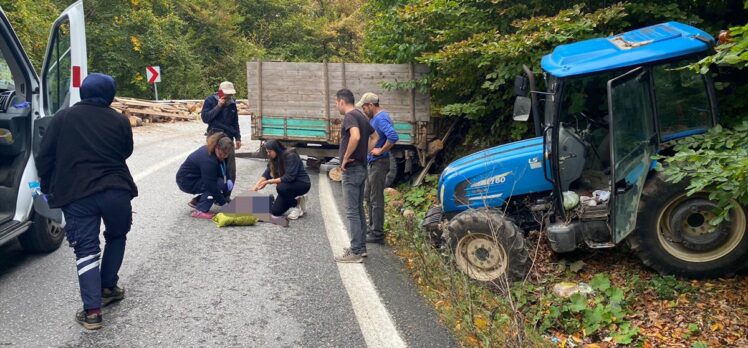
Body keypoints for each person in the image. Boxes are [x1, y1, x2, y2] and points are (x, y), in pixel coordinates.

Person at [36, 73, 138, 330]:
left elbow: (44, 156)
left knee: (87, 250)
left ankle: (92, 312)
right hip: (116, 190)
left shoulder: (63, 118)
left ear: (83, 92)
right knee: (117, 236)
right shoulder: (119, 120)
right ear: (110, 95)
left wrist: (48, 188)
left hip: (77, 194)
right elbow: (126, 151)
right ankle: (108, 287)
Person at [334, 89, 377, 263]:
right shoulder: (361, 116)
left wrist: (345, 158)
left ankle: (355, 251)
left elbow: (356, 136)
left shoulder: (350, 116)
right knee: (358, 209)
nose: (336, 106)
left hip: (351, 169)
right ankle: (361, 247)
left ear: (341, 102)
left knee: (351, 211)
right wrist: (363, 154)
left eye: (336, 103)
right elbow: (375, 137)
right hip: (361, 167)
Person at [358, 93, 399, 244]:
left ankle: (377, 233)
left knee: (376, 198)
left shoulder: (381, 118)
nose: (363, 110)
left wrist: (381, 150)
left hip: (379, 163)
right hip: (373, 163)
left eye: (364, 107)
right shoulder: (375, 118)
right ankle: (372, 227)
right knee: (368, 196)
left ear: (370, 105)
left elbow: (393, 136)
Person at [176, 133, 235, 219]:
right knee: (218, 184)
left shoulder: (219, 153)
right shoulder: (208, 159)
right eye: (223, 154)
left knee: (223, 184)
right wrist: (224, 204)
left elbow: (224, 168)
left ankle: (198, 201)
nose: (224, 156)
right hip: (186, 181)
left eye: (227, 154)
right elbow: (210, 184)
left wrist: (229, 180)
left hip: (198, 177)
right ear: (217, 147)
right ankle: (200, 210)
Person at [251, 140, 311, 220]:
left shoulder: (291, 155)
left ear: (276, 149)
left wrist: (268, 182)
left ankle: (298, 205)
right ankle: (296, 200)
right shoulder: (274, 158)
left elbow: (289, 177)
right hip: (287, 186)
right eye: (267, 152)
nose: (268, 154)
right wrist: (255, 188)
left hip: (302, 184)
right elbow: (266, 174)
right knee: (275, 212)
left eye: (269, 152)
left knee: (281, 187)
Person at [201, 81, 241, 183]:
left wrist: (238, 137)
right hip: (214, 135)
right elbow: (205, 118)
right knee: (212, 164)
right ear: (220, 92)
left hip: (228, 137)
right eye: (227, 94)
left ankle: (227, 194)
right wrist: (218, 106)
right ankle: (212, 190)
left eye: (230, 94)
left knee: (230, 167)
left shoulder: (232, 103)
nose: (229, 96)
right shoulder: (210, 100)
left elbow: (235, 121)